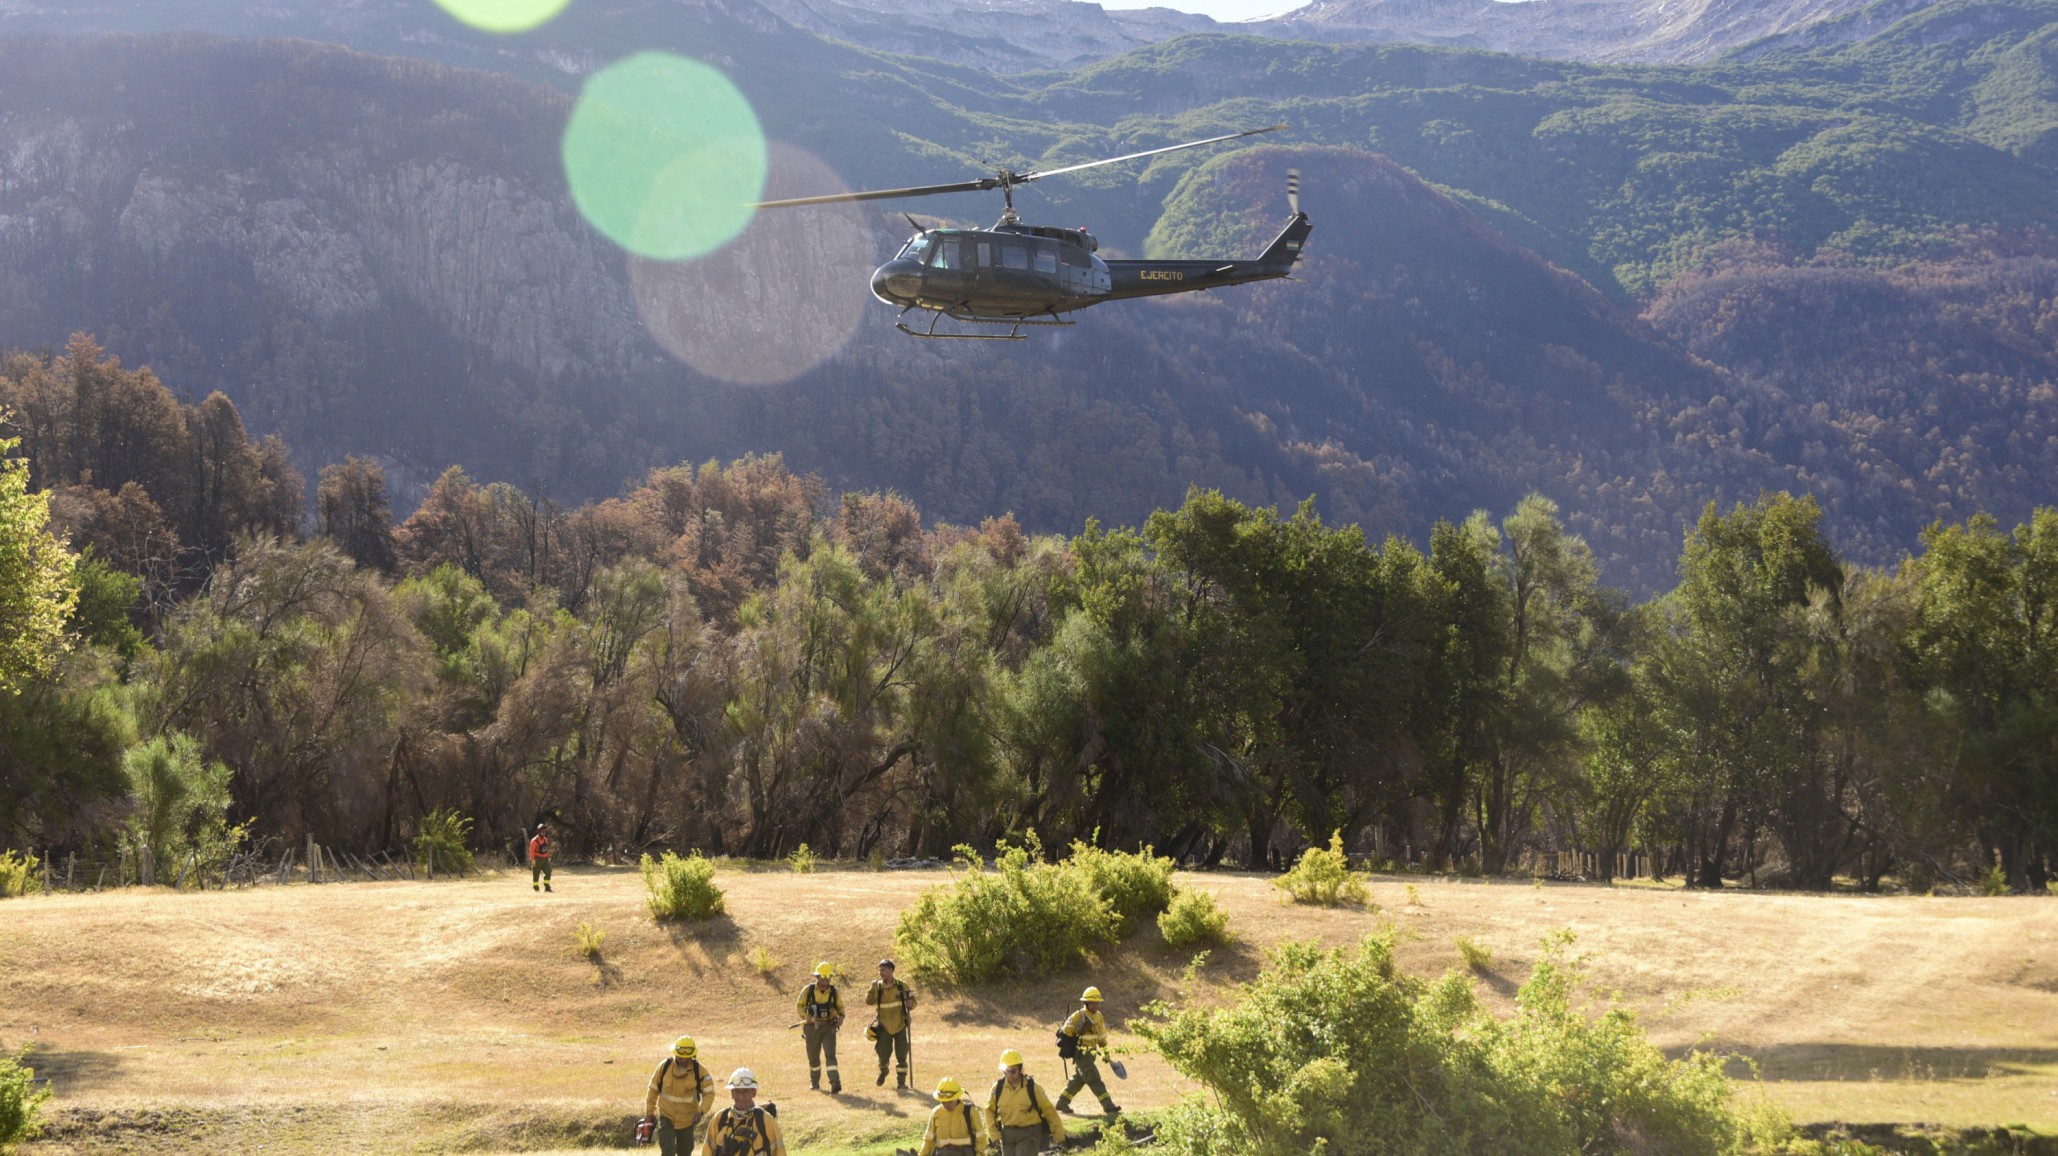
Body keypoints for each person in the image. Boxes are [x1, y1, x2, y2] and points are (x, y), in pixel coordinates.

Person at [641, 1036, 716, 1155]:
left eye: (688, 1057)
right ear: (675, 1053)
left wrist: (701, 1111)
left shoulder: (699, 1070)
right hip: (666, 1116)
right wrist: (649, 1113)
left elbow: (709, 1093)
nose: (684, 1060)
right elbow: (652, 1090)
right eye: (681, 1056)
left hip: (688, 1120)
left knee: (685, 1152)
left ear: (693, 1055)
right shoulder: (664, 1067)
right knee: (668, 1150)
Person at [1054, 986, 1119, 1117]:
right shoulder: (1078, 1015)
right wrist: (1079, 1029)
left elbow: (1102, 1037)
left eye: (1097, 1003)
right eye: (1093, 1003)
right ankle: (1108, 1106)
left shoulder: (1099, 1017)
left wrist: (1105, 1052)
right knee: (1094, 1079)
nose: (1096, 1006)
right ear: (1086, 1003)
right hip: (1081, 1054)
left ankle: (1062, 1102)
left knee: (1078, 1080)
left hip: (1091, 1053)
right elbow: (1065, 1031)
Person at [986, 1049, 1064, 1156]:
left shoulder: (1033, 1087)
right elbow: (989, 1111)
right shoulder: (997, 1088)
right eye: (1006, 1071)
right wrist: (994, 1134)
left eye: (1013, 1071)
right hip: (1007, 1135)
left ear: (1020, 1069)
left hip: (1029, 1133)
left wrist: (1059, 1134)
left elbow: (1049, 1111)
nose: (1009, 1075)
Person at [698, 1068, 786, 1156]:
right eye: (737, 1091)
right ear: (732, 1093)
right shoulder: (720, 1119)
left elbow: (779, 1151)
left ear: (754, 1093)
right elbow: (707, 1150)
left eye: (745, 1091)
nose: (741, 1096)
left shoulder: (765, 1120)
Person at [865, 957, 916, 1089]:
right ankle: (883, 1071)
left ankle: (901, 1083)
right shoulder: (878, 987)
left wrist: (911, 1004)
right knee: (882, 1055)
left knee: (902, 1055)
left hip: (900, 1026)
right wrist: (872, 989)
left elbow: (913, 1002)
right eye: (880, 970)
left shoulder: (902, 986)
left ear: (891, 970)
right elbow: (869, 1001)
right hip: (884, 1027)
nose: (881, 973)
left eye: (883, 970)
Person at [797, 961, 844, 1092]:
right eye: (822, 978)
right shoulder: (808, 990)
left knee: (830, 1055)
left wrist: (841, 1018)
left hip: (829, 1027)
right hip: (812, 1028)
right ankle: (814, 1082)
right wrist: (807, 1017)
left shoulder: (834, 992)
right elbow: (799, 1006)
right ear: (817, 977)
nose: (824, 981)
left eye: (827, 978)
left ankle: (835, 1083)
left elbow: (841, 1009)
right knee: (813, 1057)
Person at [917, 1076, 985, 1156]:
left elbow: (981, 1137)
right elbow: (928, 1140)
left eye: (950, 1101)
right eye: (943, 1102)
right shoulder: (936, 1113)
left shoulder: (970, 1112)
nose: (946, 1105)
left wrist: (979, 1154)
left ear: (957, 1096)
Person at [528, 822, 553, 892]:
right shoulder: (534, 841)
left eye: (545, 831)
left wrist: (548, 857)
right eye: (542, 831)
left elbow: (546, 850)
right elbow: (531, 851)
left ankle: (547, 887)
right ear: (538, 832)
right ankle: (536, 887)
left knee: (548, 871)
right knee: (536, 874)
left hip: (545, 859)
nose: (544, 833)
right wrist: (532, 860)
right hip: (537, 859)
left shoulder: (545, 839)